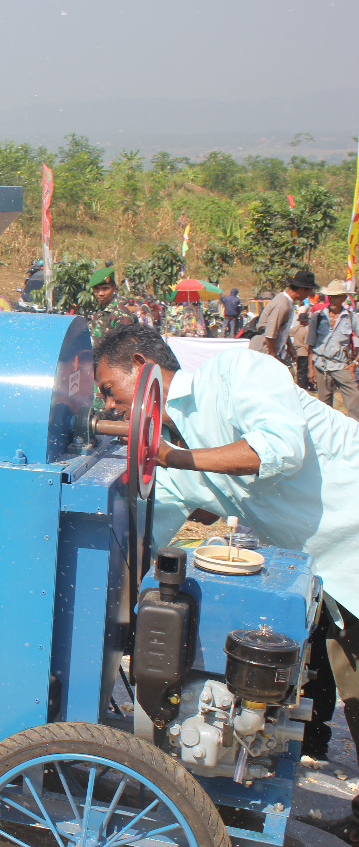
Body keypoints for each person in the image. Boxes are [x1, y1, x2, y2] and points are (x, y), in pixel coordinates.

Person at [94, 324, 359, 839]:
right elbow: (146, 531)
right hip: (324, 573)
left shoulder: (241, 374)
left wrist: (174, 457)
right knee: (351, 689)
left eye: (110, 389)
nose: (112, 407)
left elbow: (279, 451)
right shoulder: (173, 454)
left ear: (141, 366)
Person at [309, 279, 359, 416]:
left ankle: (355, 432)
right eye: (330, 296)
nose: (333, 299)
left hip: (342, 365)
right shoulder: (318, 317)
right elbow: (311, 344)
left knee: (355, 402)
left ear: (344, 297)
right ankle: (327, 434)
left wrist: (355, 363)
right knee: (324, 406)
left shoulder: (350, 317)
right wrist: (311, 368)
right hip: (321, 365)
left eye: (336, 296)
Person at [250, 269, 316, 360]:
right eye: (309, 291)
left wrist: (289, 345)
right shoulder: (282, 304)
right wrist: (273, 356)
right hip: (264, 349)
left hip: (272, 348)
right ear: (301, 290)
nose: (309, 295)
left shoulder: (289, 302)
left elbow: (281, 328)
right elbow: (270, 334)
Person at [86, 266, 136, 348]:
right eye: (97, 289)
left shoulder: (120, 314)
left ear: (114, 288)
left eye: (105, 288)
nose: (101, 293)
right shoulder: (99, 311)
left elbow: (126, 348)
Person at [290, 312, 312, 390]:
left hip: (296, 351)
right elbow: (306, 344)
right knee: (303, 371)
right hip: (303, 352)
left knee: (299, 370)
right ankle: (303, 386)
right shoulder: (305, 331)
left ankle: (300, 385)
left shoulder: (293, 329)